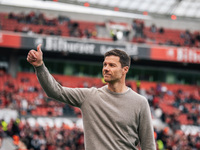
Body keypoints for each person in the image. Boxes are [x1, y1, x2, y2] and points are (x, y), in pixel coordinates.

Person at [27, 44, 156, 150]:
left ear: (125, 70)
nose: (106, 68)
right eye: (105, 64)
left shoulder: (140, 102)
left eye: (112, 65)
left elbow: (148, 145)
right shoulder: (89, 97)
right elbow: (55, 91)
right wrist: (39, 66)